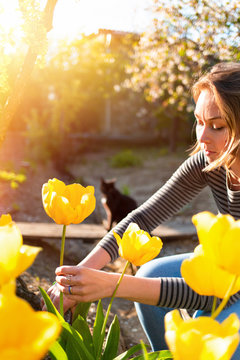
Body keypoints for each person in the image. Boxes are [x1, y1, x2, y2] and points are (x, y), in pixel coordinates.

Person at [44, 62, 240, 359]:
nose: (202, 137)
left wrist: (112, 284)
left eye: (217, 126)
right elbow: (142, 218)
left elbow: (224, 290)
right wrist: (78, 276)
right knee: (150, 272)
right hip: (229, 267)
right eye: (199, 121)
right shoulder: (209, 162)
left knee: (219, 340)